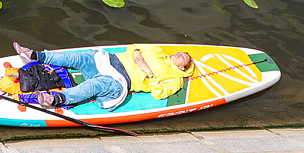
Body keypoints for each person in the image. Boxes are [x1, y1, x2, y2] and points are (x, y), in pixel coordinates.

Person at [11, 41, 194, 110]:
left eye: (183, 58)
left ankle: (55, 99)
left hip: (121, 80)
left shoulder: (174, 79)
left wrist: (149, 73)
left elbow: (159, 94)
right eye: (181, 53)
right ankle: (35, 56)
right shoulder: (158, 50)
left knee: (95, 86)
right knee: (82, 57)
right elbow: (134, 46)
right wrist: (137, 52)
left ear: (183, 68)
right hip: (111, 61)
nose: (180, 54)